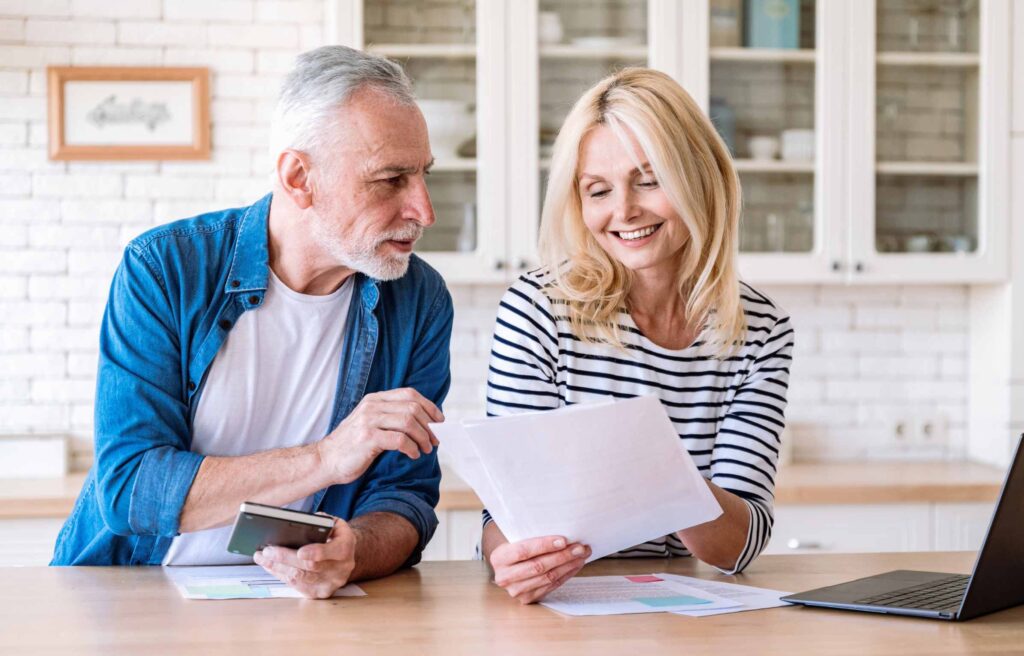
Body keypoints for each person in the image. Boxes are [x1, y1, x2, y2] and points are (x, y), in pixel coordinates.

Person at [50, 46, 454, 600]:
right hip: (132, 591)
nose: (424, 210)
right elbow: (130, 490)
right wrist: (325, 457)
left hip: (297, 607)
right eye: (390, 180)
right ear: (299, 178)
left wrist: (352, 552)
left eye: (422, 175)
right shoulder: (166, 269)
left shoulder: (419, 299)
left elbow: (404, 497)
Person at [481, 68, 795, 604]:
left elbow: (738, 546)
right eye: (598, 191)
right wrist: (509, 558)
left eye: (648, 180)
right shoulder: (540, 310)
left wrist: (649, 465)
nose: (623, 211)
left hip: (681, 609)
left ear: (700, 178)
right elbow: (502, 521)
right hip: (561, 604)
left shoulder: (759, 329)